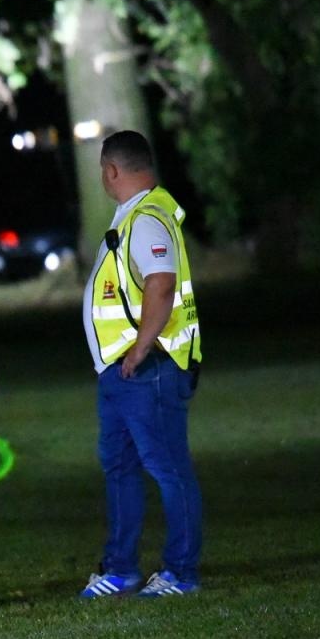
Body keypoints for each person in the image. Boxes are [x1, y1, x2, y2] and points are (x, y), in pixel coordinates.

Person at [78, 130, 204, 599]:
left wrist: (140, 347)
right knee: (120, 466)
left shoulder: (147, 218)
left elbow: (161, 285)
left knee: (168, 467)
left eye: (102, 171)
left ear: (112, 170)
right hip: (120, 371)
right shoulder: (133, 216)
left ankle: (181, 572)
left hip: (146, 368)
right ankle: (120, 569)